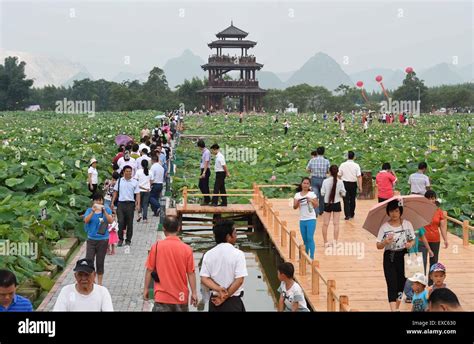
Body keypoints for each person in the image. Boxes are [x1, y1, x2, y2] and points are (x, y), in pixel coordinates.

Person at [144, 216, 197, 312]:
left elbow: (149, 270)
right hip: (180, 296)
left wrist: (146, 289)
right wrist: (194, 293)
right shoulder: (187, 249)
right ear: (178, 228)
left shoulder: (156, 247)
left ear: (163, 228)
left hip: (161, 296)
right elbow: (191, 273)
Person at [200, 219, 248, 312]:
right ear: (228, 236)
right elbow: (239, 280)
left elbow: (204, 278)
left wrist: (218, 289)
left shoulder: (208, 254)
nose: (236, 236)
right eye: (234, 233)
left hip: (215, 301)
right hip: (232, 301)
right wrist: (224, 297)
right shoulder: (238, 254)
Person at [376, 199, 415, 311]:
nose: (394, 214)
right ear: (388, 212)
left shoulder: (407, 224)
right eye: (391, 211)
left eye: (397, 211)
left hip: (403, 255)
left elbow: (412, 240)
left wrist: (409, 244)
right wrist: (385, 242)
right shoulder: (384, 227)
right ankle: (393, 309)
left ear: (400, 211)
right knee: (391, 283)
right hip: (390, 257)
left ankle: (396, 308)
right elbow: (378, 245)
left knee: (401, 284)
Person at [83, 192, 113, 285]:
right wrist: (92, 211)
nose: (99, 202)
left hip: (103, 239)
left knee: (100, 261)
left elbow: (110, 221)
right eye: (97, 200)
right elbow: (86, 220)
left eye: (100, 200)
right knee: (89, 260)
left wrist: (104, 211)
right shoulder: (89, 210)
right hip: (91, 239)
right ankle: (92, 280)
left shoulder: (107, 209)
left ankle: (100, 283)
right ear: (93, 201)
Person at [111, 165, 141, 246]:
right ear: (123, 172)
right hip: (121, 204)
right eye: (127, 171)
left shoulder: (135, 182)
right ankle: (120, 239)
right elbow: (115, 192)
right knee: (120, 222)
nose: (129, 173)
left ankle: (128, 240)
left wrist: (138, 204)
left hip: (130, 204)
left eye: (130, 171)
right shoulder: (120, 181)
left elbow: (137, 194)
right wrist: (112, 202)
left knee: (129, 223)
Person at [403, 225, 434, 303]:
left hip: (415, 254)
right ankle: (409, 295)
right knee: (409, 276)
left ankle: (413, 295)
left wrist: (429, 249)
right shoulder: (403, 225)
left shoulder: (418, 225)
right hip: (404, 254)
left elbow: (423, 238)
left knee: (416, 275)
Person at [422, 190, 448, 284]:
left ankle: (430, 283)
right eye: (428, 198)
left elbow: (442, 226)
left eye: (432, 198)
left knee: (434, 262)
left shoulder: (439, 211)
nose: (430, 200)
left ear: (435, 199)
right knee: (422, 263)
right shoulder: (421, 210)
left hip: (435, 239)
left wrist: (445, 239)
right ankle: (420, 283)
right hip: (422, 240)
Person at [321, 165, 346, 247]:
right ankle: (335, 242)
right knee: (336, 224)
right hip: (336, 203)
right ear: (337, 171)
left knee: (325, 224)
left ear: (329, 172)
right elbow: (343, 193)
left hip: (327, 203)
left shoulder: (325, 181)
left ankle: (325, 242)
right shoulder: (340, 182)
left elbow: (322, 193)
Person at [293, 177, 318, 259]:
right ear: (301, 184)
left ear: (309, 185)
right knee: (305, 239)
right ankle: (306, 255)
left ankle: (312, 256)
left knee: (310, 237)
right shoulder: (297, 195)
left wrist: (311, 200)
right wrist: (298, 202)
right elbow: (294, 207)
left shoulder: (312, 194)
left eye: (307, 183)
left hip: (311, 218)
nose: (305, 185)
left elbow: (316, 205)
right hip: (302, 219)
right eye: (304, 183)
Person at [338, 151, 362, 220]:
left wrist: (340, 183)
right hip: (353, 184)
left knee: (345, 200)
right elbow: (359, 176)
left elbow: (339, 175)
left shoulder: (342, 165)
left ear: (347, 156)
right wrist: (360, 186)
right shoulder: (356, 165)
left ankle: (347, 215)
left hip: (344, 184)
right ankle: (352, 214)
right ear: (354, 157)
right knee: (352, 199)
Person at [306, 147, 330, 216]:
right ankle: (321, 210)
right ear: (324, 152)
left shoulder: (312, 160)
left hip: (314, 179)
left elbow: (307, 169)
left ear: (317, 152)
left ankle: (315, 212)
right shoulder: (326, 161)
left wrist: (312, 171)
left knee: (315, 196)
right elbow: (328, 171)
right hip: (323, 179)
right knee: (322, 195)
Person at [197, 139, 211, 205]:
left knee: (202, 185)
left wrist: (204, 172)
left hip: (206, 170)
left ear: (200, 146)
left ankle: (207, 200)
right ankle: (207, 199)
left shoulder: (207, 152)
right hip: (204, 170)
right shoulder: (204, 152)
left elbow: (206, 162)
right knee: (204, 185)